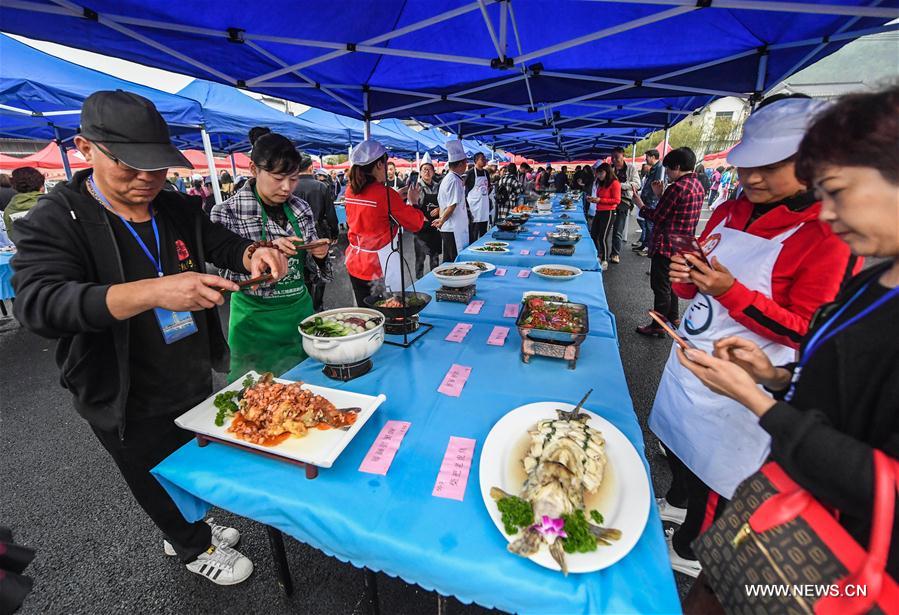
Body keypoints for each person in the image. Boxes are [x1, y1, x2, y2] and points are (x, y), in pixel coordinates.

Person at [11, 90, 289, 585]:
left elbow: (218, 241)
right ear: (85, 148)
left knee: (185, 454)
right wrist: (151, 291)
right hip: (118, 383)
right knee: (148, 465)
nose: (146, 180)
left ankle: (188, 525)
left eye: (158, 167)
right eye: (131, 167)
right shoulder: (56, 218)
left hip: (183, 364)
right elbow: (40, 304)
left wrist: (251, 253)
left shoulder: (175, 206)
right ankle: (189, 545)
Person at [678, 85, 899, 590]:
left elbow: (880, 478)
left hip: (843, 552)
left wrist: (761, 404)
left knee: (725, 573)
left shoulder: (832, 248)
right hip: (792, 477)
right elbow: (833, 374)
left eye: (838, 190)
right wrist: (776, 377)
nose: (824, 212)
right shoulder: (875, 280)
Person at [647, 98, 862, 578]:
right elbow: (692, 284)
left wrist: (731, 292)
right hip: (694, 355)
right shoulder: (730, 208)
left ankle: (691, 551)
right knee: (680, 445)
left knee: (717, 475)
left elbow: (808, 328)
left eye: (771, 167)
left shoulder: (827, 235)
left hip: (746, 378)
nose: (752, 178)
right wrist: (687, 278)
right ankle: (678, 503)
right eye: (747, 166)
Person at [211, 135, 331, 378]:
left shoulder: (300, 208)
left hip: (299, 315)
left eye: (294, 178)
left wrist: (318, 255)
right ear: (253, 169)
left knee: (307, 391)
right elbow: (225, 277)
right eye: (278, 178)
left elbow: (311, 269)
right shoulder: (227, 212)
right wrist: (262, 252)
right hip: (255, 324)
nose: (286, 187)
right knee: (256, 400)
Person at [343, 140, 423, 306]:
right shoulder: (385, 194)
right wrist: (413, 201)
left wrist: (395, 197)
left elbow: (374, 207)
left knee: (366, 312)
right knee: (387, 311)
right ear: (379, 164)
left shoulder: (350, 190)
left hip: (355, 260)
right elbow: (415, 223)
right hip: (379, 265)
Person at [634, 147, 705, 334]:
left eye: (669, 169)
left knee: (661, 286)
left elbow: (658, 216)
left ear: (678, 166)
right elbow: (673, 212)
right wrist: (660, 195)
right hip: (683, 245)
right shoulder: (697, 185)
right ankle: (673, 316)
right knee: (672, 283)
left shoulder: (677, 188)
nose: (667, 173)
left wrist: (640, 204)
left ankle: (658, 325)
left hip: (666, 245)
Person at [293, 154, 339, 311]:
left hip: (295, 234)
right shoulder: (321, 186)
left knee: (302, 271)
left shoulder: (290, 186)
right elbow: (331, 214)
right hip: (318, 232)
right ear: (311, 168)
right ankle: (318, 306)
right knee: (320, 270)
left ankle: (305, 306)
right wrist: (334, 234)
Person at [436, 140, 470, 263]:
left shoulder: (451, 178)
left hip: (451, 228)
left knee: (448, 261)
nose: (466, 165)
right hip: (453, 229)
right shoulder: (454, 180)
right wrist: (441, 221)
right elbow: (451, 206)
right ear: (460, 164)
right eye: (466, 163)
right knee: (454, 262)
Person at [609, 147, 642, 264]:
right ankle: (601, 252)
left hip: (624, 201)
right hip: (609, 200)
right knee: (604, 228)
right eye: (612, 157)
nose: (614, 160)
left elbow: (637, 184)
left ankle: (615, 253)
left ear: (623, 156)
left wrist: (620, 185)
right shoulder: (610, 168)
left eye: (616, 157)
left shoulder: (631, 168)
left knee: (618, 229)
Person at [586, 163, 620, 270]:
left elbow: (616, 200)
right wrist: (593, 199)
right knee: (594, 234)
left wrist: (600, 200)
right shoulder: (602, 183)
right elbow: (600, 197)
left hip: (609, 212)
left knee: (603, 237)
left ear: (607, 172)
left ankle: (604, 259)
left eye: (601, 172)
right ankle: (598, 255)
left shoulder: (615, 183)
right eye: (598, 173)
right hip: (599, 211)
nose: (599, 175)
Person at [413, 161, 442, 278]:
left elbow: (444, 202)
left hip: (435, 227)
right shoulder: (416, 187)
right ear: (420, 172)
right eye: (424, 169)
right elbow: (412, 207)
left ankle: (434, 281)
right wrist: (422, 217)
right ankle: (419, 284)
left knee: (435, 258)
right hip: (421, 228)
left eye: (429, 169)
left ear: (433, 172)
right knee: (420, 259)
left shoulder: (437, 186)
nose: (427, 171)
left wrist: (440, 209)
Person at [3, 167, 45, 244]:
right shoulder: (52, 203)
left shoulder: (9, 210)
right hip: (56, 252)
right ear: (41, 184)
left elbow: (12, 235)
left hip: (27, 252)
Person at [635, 149, 664, 255]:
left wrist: (650, 197)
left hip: (652, 200)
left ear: (652, 157)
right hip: (648, 199)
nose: (645, 159)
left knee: (649, 224)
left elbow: (656, 185)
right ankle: (644, 244)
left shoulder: (660, 168)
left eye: (647, 156)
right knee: (646, 223)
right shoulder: (655, 168)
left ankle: (647, 247)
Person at [465, 152, 491, 241]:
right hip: (474, 208)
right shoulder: (470, 173)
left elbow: (489, 187)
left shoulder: (486, 173)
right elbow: (463, 189)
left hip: (484, 206)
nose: (485, 161)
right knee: (473, 232)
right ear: (476, 161)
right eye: (482, 159)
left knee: (484, 231)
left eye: (485, 159)